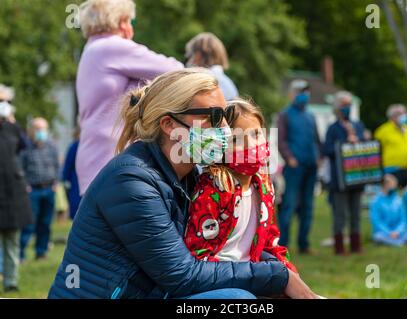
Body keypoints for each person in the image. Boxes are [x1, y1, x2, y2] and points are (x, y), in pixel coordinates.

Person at [48, 69, 316, 299]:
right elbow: (182, 275)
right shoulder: (131, 181)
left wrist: (280, 269)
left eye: (226, 114)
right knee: (236, 300)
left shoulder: (189, 175)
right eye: (213, 117)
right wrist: (277, 276)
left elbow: (226, 250)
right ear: (169, 124)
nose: (224, 126)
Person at [75, 0, 184, 195]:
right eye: (129, 21)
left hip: (92, 155)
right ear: (121, 22)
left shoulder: (91, 50)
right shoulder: (113, 47)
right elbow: (176, 71)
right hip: (115, 156)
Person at [184, 99, 299, 276]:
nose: (251, 145)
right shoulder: (212, 190)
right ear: (219, 145)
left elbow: (270, 240)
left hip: (255, 274)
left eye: (256, 134)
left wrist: (288, 272)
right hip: (222, 280)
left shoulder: (264, 187)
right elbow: (199, 255)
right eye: (236, 139)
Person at [277, 80, 321, 254]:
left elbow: (317, 139)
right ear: (292, 94)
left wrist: (319, 157)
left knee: (308, 207)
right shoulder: (285, 114)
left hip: (311, 166)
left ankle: (304, 244)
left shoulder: (311, 116)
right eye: (301, 92)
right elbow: (281, 141)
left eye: (307, 92)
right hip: (294, 168)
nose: (305, 95)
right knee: (288, 206)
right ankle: (282, 246)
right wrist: (289, 158)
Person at [323, 91, 366, 255]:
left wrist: (358, 140)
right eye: (344, 105)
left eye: (349, 104)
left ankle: (356, 245)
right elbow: (326, 149)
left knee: (356, 212)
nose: (347, 108)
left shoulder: (358, 125)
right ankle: (339, 247)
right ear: (337, 107)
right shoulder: (332, 129)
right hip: (338, 179)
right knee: (340, 214)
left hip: (356, 176)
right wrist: (343, 143)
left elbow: (365, 147)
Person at [0, 90, 32, 292]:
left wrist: (11, 120)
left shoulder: (12, 129)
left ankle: (11, 281)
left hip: (12, 195)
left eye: (5, 101)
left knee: (12, 241)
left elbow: (25, 145)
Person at [20, 118, 59, 261]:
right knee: (29, 223)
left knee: (46, 223)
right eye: (37, 128)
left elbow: (57, 166)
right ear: (30, 130)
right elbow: (20, 168)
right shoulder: (25, 147)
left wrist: (56, 182)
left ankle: (41, 252)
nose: (40, 131)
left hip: (49, 189)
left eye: (43, 128)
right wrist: (25, 185)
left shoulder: (52, 146)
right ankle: (21, 254)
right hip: (32, 191)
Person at [185, 32, 239, 100]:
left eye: (190, 55)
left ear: (198, 55)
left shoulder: (200, 82)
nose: (189, 61)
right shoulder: (229, 84)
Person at [369, 175, 407, 247]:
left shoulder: (398, 200)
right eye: (390, 185)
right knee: (378, 237)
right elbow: (377, 221)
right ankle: (398, 243)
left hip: (399, 233)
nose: (393, 187)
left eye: (394, 185)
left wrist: (398, 231)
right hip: (383, 233)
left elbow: (403, 219)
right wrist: (389, 232)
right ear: (384, 185)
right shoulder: (376, 201)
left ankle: (394, 242)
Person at [374, 104, 407, 187]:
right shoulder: (382, 131)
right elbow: (376, 151)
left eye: (404, 112)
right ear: (392, 116)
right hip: (392, 169)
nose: (404, 115)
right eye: (400, 113)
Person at [62, 126, 81, 220]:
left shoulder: (76, 145)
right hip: (76, 180)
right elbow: (68, 165)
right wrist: (66, 180)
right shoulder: (75, 146)